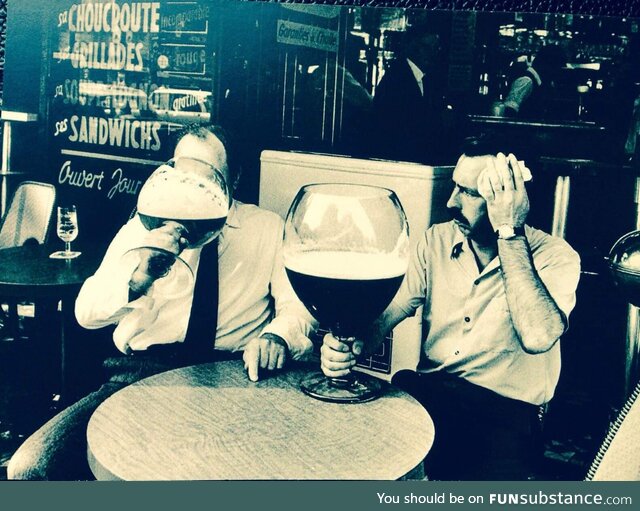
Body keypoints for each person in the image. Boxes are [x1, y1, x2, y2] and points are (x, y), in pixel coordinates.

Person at [8, 124, 316, 480]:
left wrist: (276, 337)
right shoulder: (141, 229)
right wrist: (140, 278)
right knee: (31, 469)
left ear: (235, 180)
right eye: (184, 176)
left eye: (209, 178)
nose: (195, 188)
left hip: (230, 376)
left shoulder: (267, 227)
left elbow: (297, 309)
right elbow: (85, 314)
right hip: (140, 375)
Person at [320, 135, 581, 480]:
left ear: (510, 198)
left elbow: (538, 335)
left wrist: (509, 231)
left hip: (503, 418)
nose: (451, 202)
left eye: (470, 193)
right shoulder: (436, 241)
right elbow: (384, 317)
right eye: (455, 187)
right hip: (431, 397)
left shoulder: (556, 257)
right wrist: (350, 345)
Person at [370, 22, 450, 164]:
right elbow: (394, 129)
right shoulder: (397, 79)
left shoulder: (425, 79)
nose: (434, 53)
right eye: (427, 48)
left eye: (436, 48)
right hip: (400, 162)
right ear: (412, 47)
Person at [499, 45, 568, 118]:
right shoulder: (526, 81)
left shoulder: (539, 83)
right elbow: (509, 110)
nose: (558, 72)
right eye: (557, 67)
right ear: (549, 65)